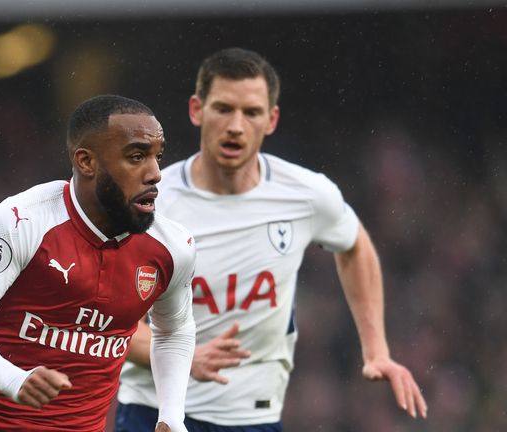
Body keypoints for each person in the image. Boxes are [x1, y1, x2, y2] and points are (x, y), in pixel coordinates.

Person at [116, 48, 428, 431]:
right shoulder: (148, 203)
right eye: (223, 108)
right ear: (197, 110)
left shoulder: (306, 194)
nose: (236, 125)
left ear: (271, 119)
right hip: (155, 412)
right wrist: (181, 357)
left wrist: (376, 349)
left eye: (251, 113)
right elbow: (102, 315)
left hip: (254, 418)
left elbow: (355, 244)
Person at [0, 95, 197, 432]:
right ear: (86, 162)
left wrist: (172, 416)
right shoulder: (25, 219)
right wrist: (14, 380)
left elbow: (174, 331)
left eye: (157, 156)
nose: (155, 173)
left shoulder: (173, 247)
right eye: (136, 156)